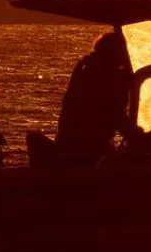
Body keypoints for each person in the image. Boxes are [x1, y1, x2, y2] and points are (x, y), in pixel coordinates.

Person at [54, 32, 133, 164]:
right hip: (85, 149)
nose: (127, 56)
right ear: (115, 53)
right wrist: (137, 135)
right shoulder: (102, 74)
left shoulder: (88, 66)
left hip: (70, 142)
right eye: (124, 51)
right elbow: (114, 113)